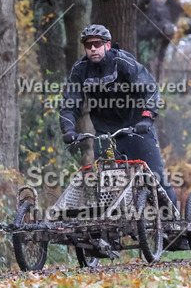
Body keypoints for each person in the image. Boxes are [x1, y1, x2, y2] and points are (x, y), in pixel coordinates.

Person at [59, 24, 178, 208]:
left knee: (156, 178)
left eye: (97, 44)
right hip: (105, 135)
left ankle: (174, 221)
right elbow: (69, 102)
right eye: (88, 45)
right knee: (107, 188)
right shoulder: (80, 70)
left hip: (137, 129)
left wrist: (146, 118)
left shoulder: (122, 62)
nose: (93, 48)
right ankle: (115, 225)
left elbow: (150, 88)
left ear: (107, 45)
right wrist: (68, 129)